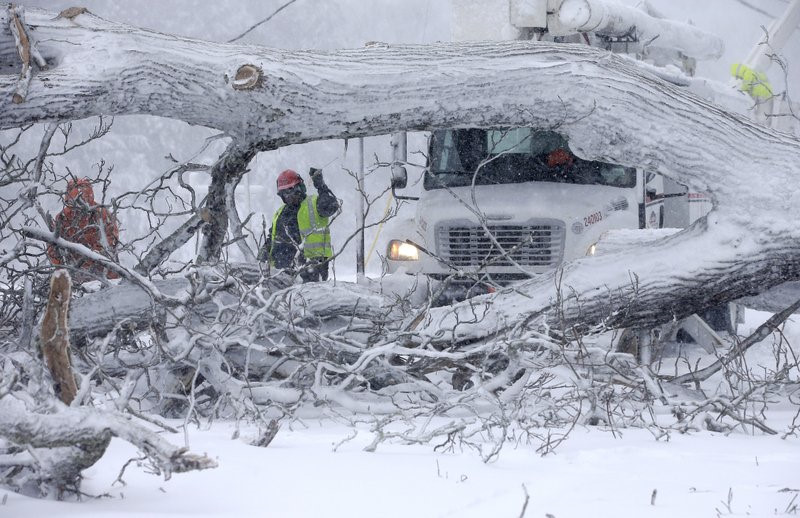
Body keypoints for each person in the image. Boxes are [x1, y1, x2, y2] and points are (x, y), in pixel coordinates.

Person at [259, 168, 339, 282]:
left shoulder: (314, 204)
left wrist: (321, 186)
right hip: (281, 271)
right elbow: (272, 237)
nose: (288, 196)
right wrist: (264, 252)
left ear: (299, 189)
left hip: (310, 269)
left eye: (290, 191)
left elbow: (331, 206)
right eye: (284, 193)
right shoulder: (280, 212)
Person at [47, 178, 120, 283]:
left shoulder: (101, 213)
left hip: (106, 275)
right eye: (75, 201)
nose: (78, 205)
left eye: (81, 200)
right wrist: (62, 270)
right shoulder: (62, 218)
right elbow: (53, 248)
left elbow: (110, 242)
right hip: (75, 278)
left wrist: (88, 262)